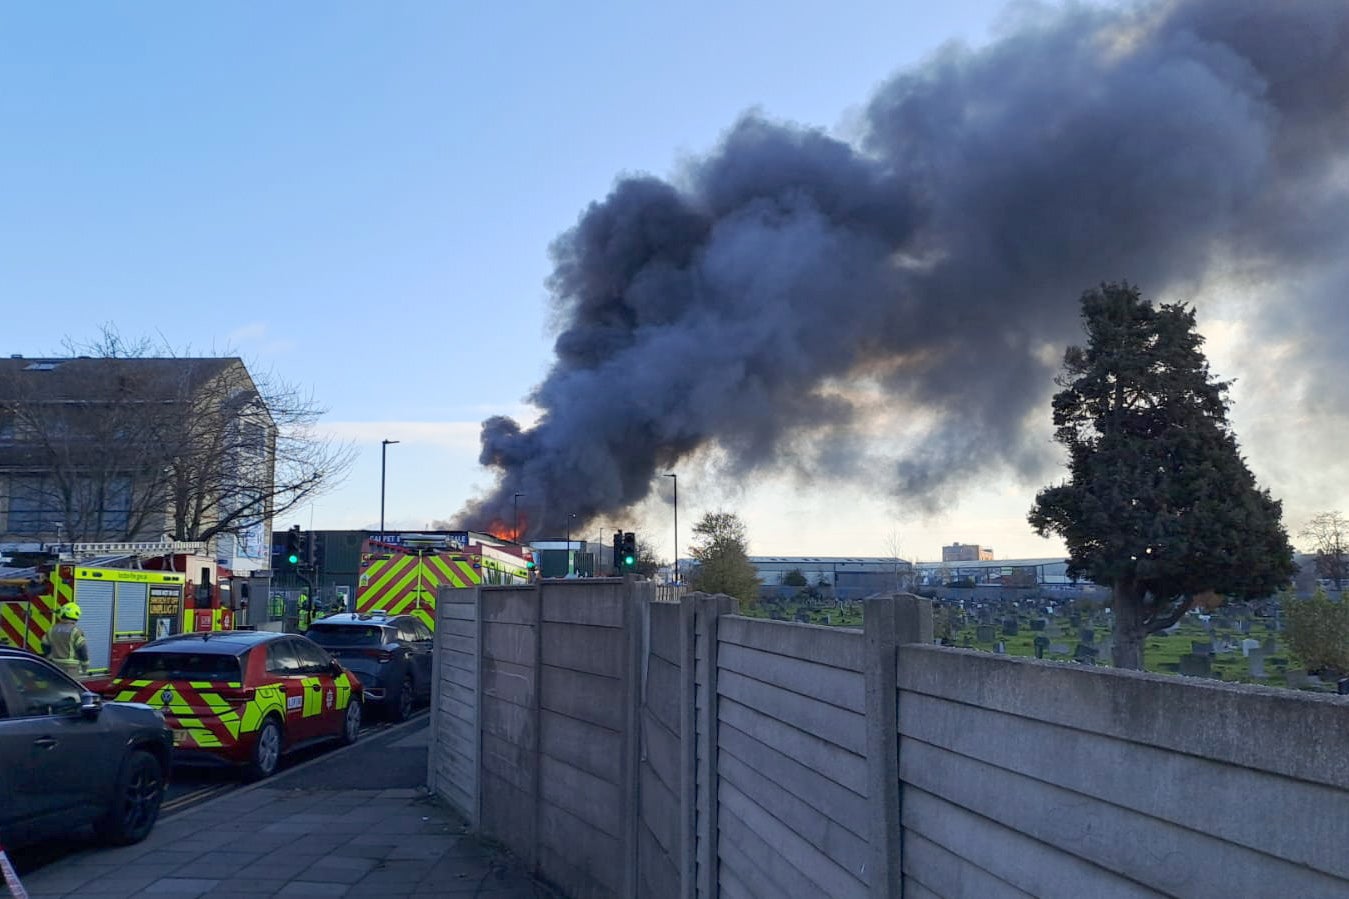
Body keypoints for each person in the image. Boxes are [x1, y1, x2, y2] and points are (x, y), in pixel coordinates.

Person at [42, 602, 90, 678]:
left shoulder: (52, 629)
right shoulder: (75, 631)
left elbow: (44, 644)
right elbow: (82, 649)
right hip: (70, 668)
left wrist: (49, 656)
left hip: (54, 665)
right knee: (69, 685)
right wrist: (85, 664)